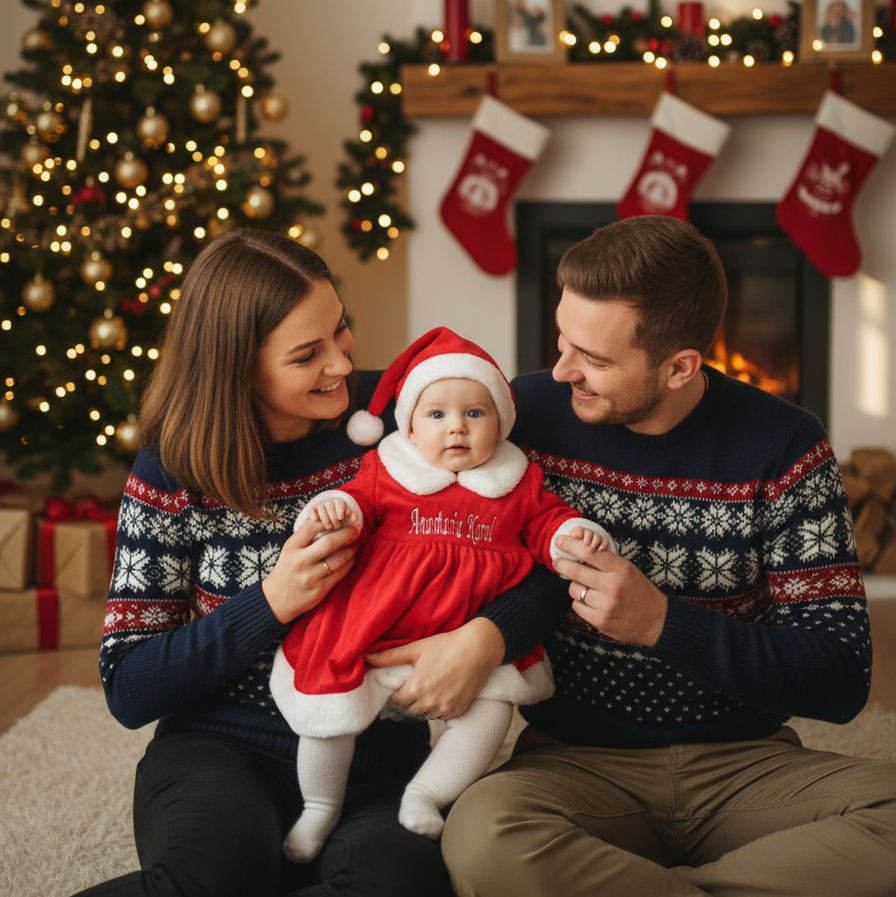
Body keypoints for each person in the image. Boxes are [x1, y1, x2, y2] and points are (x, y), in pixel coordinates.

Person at [74, 229, 566, 897]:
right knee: (212, 877)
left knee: (392, 884)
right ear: (236, 368)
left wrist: (489, 636)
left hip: (374, 756)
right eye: (307, 354)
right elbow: (129, 684)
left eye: (341, 331)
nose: (340, 363)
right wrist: (274, 599)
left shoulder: (405, 415)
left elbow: (534, 544)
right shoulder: (177, 464)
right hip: (220, 747)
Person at [442, 215, 896, 897]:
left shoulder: (785, 444)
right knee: (480, 835)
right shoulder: (518, 416)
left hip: (745, 765)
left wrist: (661, 622)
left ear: (681, 365)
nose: (563, 369)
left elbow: (840, 677)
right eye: (563, 341)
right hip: (573, 764)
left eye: (592, 359)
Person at [269, 327, 614, 862]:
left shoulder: (517, 482)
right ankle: (318, 806)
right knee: (328, 714)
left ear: (501, 422)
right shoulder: (388, 470)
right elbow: (355, 503)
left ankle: (426, 793)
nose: (457, 427)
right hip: (376, 626)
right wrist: (334, 507)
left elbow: (547, 524)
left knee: (490, 713)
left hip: (465, 638)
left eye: (475, 414)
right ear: (408, 424)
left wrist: (572, 536)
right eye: (437, 415)